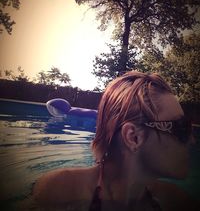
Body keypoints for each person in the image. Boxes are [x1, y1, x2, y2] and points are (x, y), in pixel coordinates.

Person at [33, 71, 198, 211]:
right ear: (133, 137)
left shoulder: (176, 201)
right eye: (181, 127)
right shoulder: (60, 191)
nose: (192, 140)